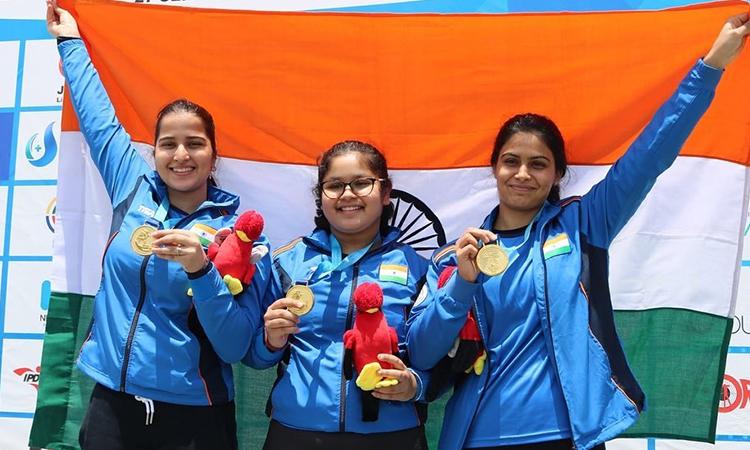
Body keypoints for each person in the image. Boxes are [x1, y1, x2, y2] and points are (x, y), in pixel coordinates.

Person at [406, 13, 750, 450]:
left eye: (538, 164)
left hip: (567, 435)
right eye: (511, 161)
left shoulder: (585, 224)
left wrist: (711, 67)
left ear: (557, 174)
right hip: (476, 436)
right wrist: (463, 283)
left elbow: (653, 153)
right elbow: (421, 352)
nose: (523, 174)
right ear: (494, 168)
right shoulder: (453, 258)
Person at [46, 3, 272, 449]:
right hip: (113, 403)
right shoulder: (133, 189)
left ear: (214, 156)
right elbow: (96, 118)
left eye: (195, 143)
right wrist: (69, 40)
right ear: (155, 152)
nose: (181, 154)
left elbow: (235, 347)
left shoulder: (238, 236)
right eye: (168, 144)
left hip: (195, 416)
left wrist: (201, 271)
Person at [245, 140, 430, 450]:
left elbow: (438, 357)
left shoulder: (419, 268)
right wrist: (270, 341)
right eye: (334, 185)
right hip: (297, 434)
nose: (347, 195)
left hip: (393, 437)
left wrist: (417, 385)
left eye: (361, 183)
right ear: (321, 197)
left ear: (385, 193)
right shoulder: (287, 262)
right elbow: (253, 355)